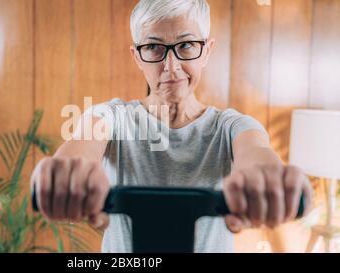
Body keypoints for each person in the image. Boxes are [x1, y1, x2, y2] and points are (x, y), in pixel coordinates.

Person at [30, 0, 313, 252]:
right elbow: (82, 146)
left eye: (186, 45)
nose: (171, 66)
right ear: (137, 56)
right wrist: (65, 169)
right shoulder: (111, 117)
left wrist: (268, 175)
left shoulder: (233, 126)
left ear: (206, 51)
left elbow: (256, 153)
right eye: (153, 47)